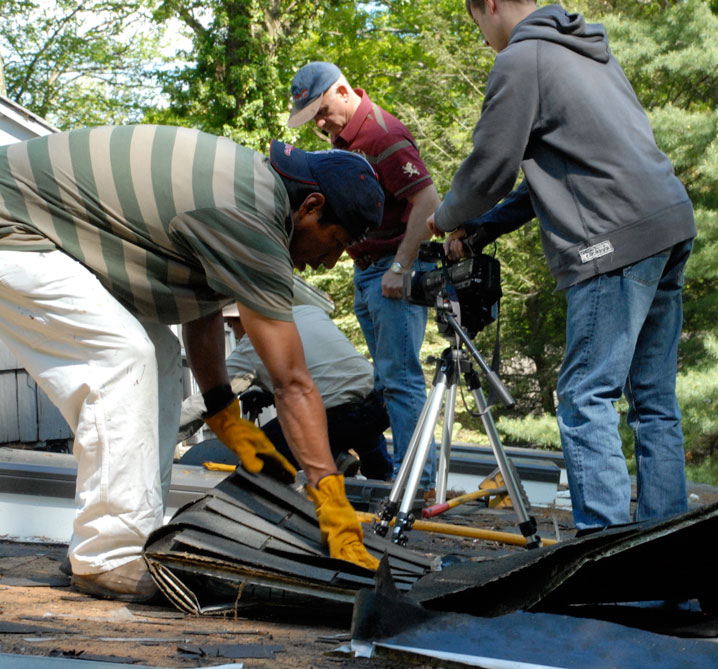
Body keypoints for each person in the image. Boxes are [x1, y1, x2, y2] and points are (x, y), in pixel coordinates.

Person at [0, 124, 383, 602]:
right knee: (123, 356)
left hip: (32, 229)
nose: (328, 264)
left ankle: (125, 537)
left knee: (157, 354)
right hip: (11, 228)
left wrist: (223, 413)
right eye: (335, 243)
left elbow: (199, 305)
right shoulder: (251, 215)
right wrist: (333, 507)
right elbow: (291, 383)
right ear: (311, 207)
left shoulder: (251, 193)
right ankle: (106, 556)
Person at [426, 0, 698, 531]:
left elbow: (490, 169)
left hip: (611, 239)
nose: (484, 40)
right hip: (666, 222)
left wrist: (445, 217)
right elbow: (551, 177)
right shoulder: (589, 53)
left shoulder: (521, 59)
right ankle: (671, 561)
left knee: (584, 395)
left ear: (491, 6)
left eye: (477, 25)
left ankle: (607, 559)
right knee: (654, 401)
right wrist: (482, 229)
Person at [287, 61, 440, 483]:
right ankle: (395, 475)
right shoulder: (341, 139)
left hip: (394, 271)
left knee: (401, 381)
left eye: (321, 111)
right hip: (367, 270)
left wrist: (399, 266)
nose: (319, 123)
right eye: (312, 118)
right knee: (384, 385)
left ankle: (419, 486)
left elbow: (428, 203)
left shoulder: (382, 135)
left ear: (342, 90)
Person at [179, 303, 393, 481]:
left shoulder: (251, 345)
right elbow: (321, 369)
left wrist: (165, 432)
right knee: (362, 424)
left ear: (242, 319)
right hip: (379, 405)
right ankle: (381, 480)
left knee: (259, 457)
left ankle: (333, 458)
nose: (233, 332)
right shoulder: (309, 311)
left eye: (231, 324)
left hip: (335, 417)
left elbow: (205, 402)